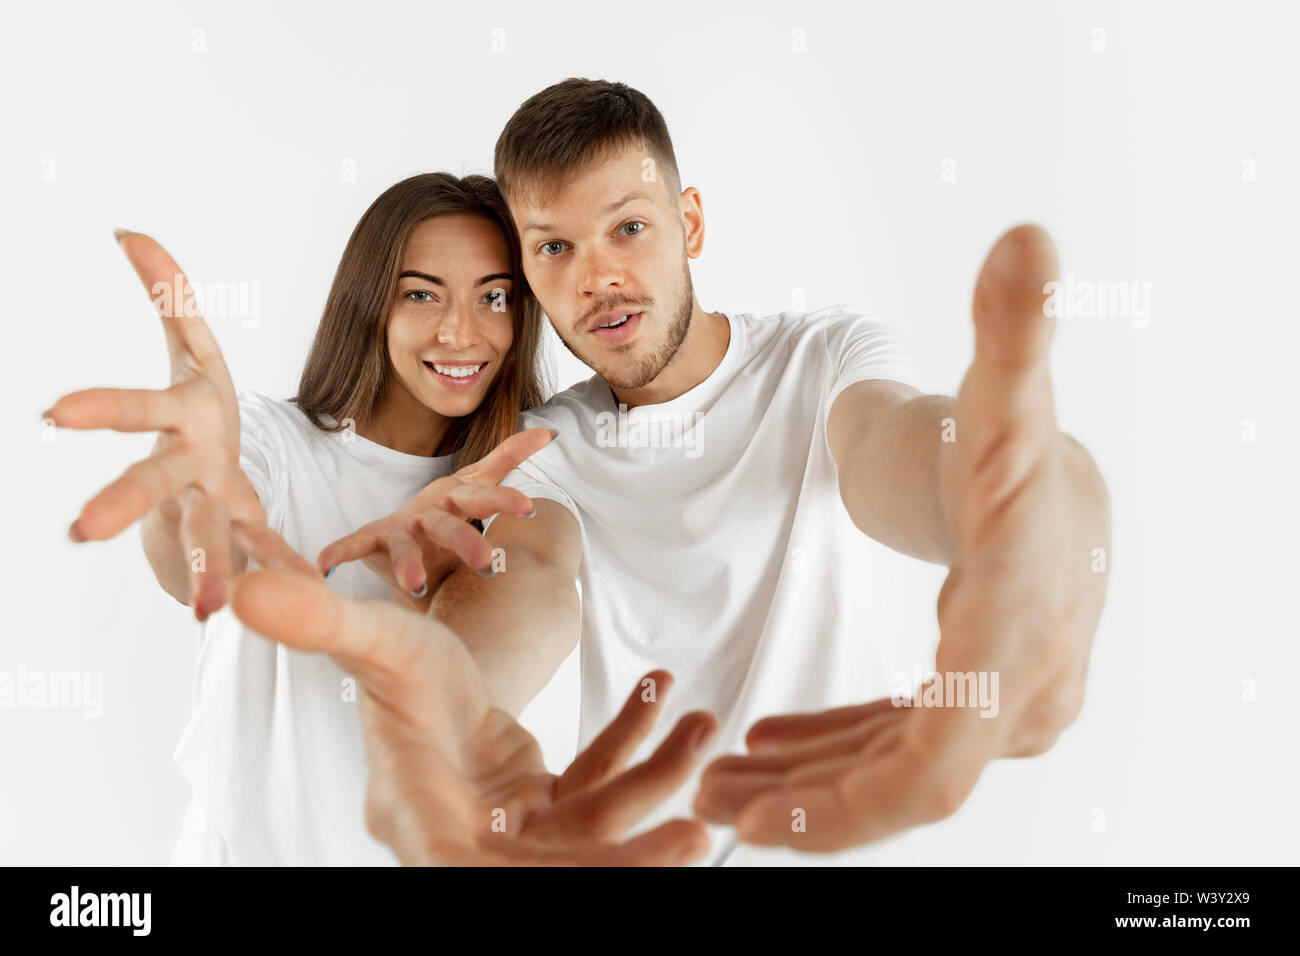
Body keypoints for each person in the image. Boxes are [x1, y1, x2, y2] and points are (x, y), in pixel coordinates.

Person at [322, 78, 1114, 865]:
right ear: (528, 272)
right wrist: (452, 722)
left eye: (628, 227)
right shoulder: (544, 452)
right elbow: (524, 578)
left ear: (689, 224)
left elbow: (894, 449)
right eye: (555, 247)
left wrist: (1031, 500)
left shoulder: (824, 359)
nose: (596, 277)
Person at [45, 173, 564, 865]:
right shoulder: (273, 441)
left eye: (493, 297)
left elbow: (535, 596)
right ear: (368, 302)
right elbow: (195, 555)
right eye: (420, 294)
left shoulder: (524, 473)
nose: (460, 332)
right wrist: (186, 489)